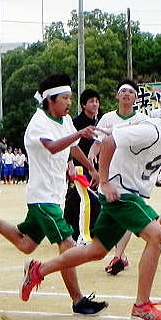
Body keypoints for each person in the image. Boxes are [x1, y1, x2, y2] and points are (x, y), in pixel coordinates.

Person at [17, 78, 161, 320]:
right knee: (157, 236)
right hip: (121, 192)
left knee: (95, 251)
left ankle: (38, 270)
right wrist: (103, 181)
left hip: (128, 192)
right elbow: (109, 141)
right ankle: (142, 306)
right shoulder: (154, 129)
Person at [0, 73, 107, 316]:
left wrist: (91, 168)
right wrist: (79, 133)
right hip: (43, 197)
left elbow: (72, 148)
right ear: (50, 100)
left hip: (53, 195)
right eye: (65, 98)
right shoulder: (38, 123)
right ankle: (78, 300)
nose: (69, 103)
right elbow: (53, 146)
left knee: (26, 244)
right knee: (67, 244)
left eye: (70, 98)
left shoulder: (65, 120)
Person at [94, 80, 147, 275]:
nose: (126, 94)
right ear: (117, 96)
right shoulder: (107, 118)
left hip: (133, 175)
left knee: (128, 215)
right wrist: (91, 157)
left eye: (130, 92)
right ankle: (119, 256)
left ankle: (118, 255)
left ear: (136, 97)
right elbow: (98, 142)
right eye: (122, 91)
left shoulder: (143, 120)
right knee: (114, 214)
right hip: (110, 175)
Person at [63, 88, 101, 247]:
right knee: (76, 198)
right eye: (91, 101)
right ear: (84, 105)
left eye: (97, 101)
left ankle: (91, 230)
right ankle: (73, 231)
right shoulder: (75, 123)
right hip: (78, 167)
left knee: (94, 199)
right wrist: (70, 164)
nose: (95, 104)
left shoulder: (99, 123)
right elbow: (70, 145)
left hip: (95, 167)